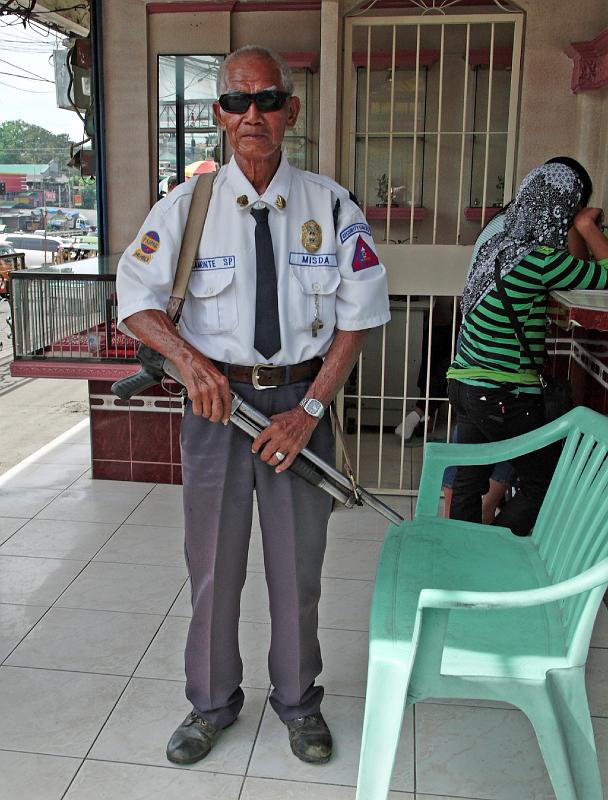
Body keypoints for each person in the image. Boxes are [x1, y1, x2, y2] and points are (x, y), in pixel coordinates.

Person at [116, 45, 390, 766]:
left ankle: (299, 704)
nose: (252, 116)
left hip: (302, 402)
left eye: (267, 99)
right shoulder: (189, 205)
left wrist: (313, 410)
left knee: (297, 570)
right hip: (217, 413)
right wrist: (189, 363)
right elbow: (135, 300)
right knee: (214, 567)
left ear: (290, 111)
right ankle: (210, 705)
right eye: (237, 102)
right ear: (219, 116)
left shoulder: (330, 206)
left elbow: (359, 315)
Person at [447, 161, 608, 536]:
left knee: (469, 486)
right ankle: (498, 552)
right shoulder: (539, 260)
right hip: (502, 392)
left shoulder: (495, 245)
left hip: (465, 383)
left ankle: (466, 566)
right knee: (545, 483)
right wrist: (586, 227)